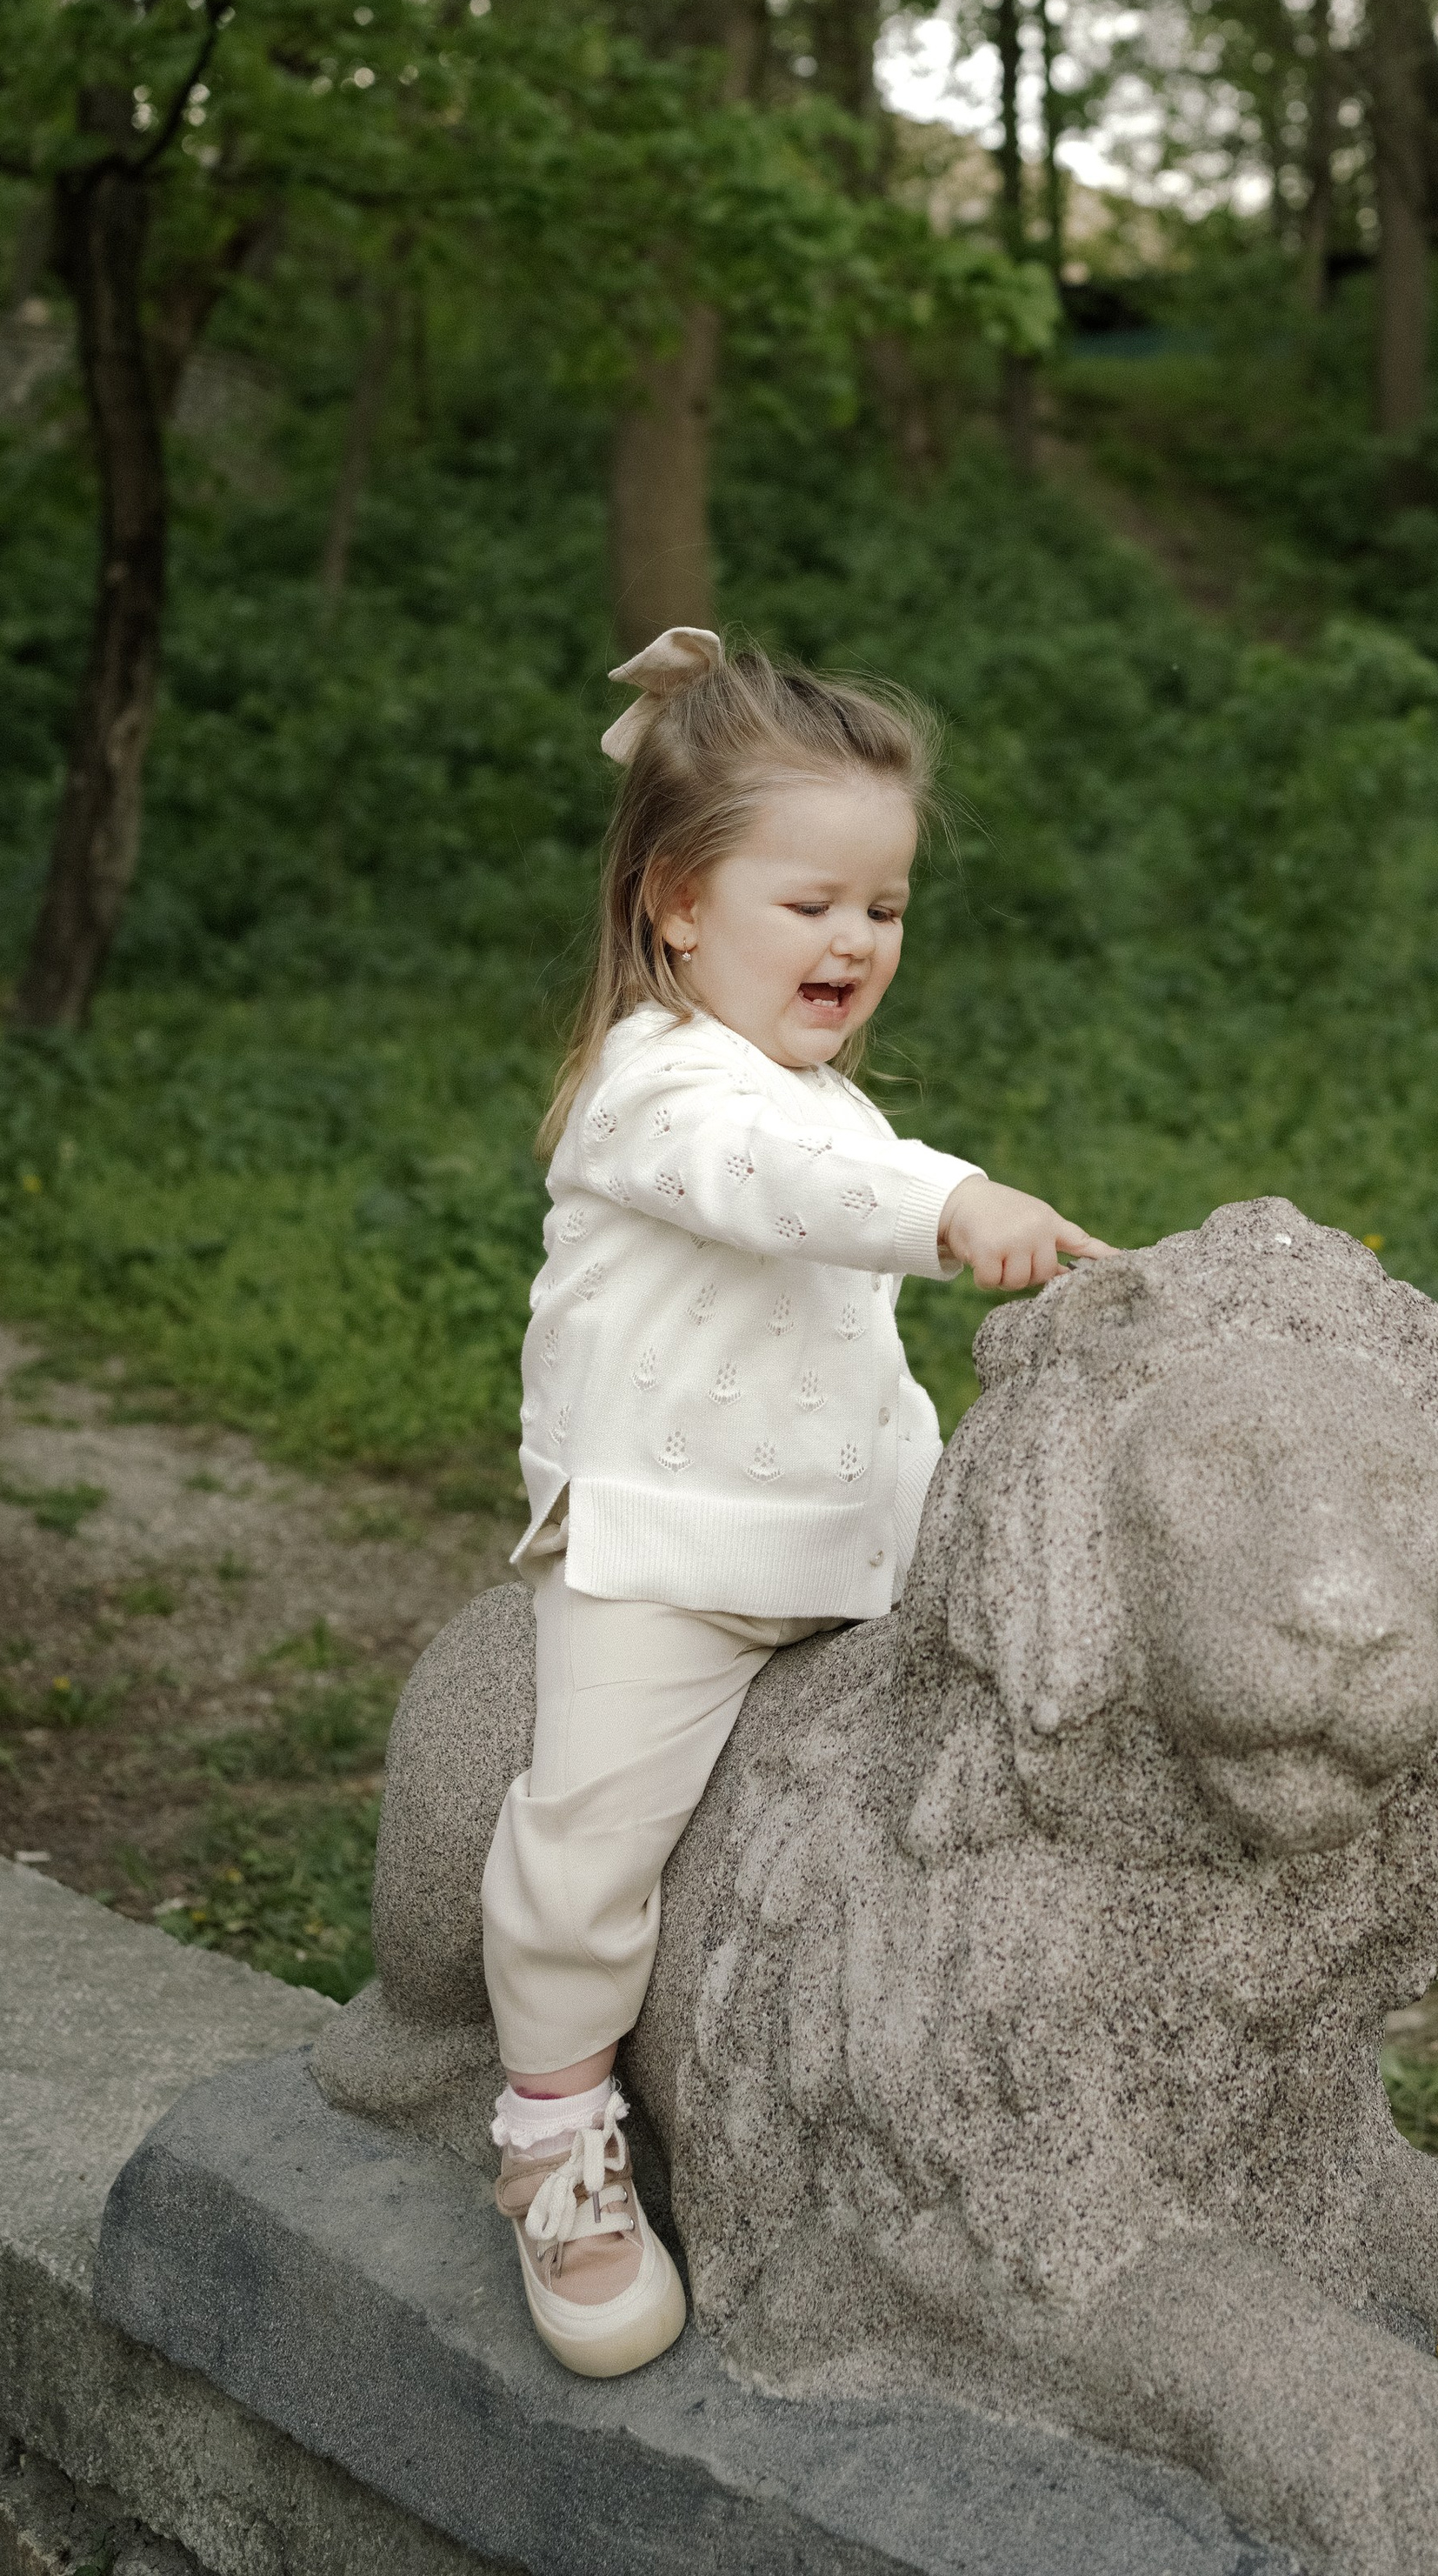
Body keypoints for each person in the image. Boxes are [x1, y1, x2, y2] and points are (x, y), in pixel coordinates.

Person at [479, 625, 1109, 2377]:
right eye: (809, 901)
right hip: (667, 1552)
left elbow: (834, 1273)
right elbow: (783, 1187)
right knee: (582, 1851)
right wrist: (950, 1202)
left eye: (883, 910)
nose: (853, 941)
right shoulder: (657, 1088)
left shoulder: (819, 1096)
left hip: (850, 1530)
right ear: (680, 908)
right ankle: (552, 2131)